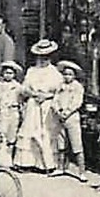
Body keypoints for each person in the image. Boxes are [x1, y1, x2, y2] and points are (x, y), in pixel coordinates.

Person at [15, 39, 62, 173]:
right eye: (40, 57)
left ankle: (46, 164)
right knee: (30, 131)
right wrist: (32, 93)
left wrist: (47, 96)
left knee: (45, 133)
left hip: (47, 105)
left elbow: (59, 91)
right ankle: (26, 163)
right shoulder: (31, 71)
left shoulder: (54, 73)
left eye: (46, 57)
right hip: (33, 104)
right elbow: (23, 88)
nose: (43, 60)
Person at [52, 60, 88, 180]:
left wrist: (67, 112)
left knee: (76, 144)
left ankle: (82, 172)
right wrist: (58, 110)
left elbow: (77, 102)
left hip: (71, 117)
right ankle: (60, 167)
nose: (67, 76)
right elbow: (55, 100)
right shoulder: (60, 86)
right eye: (65, 74)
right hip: (60, 117)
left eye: (70, 74)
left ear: (74, 76)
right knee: (61, 143)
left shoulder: (77, 87)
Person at [0, 61, 24, 167]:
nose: (8, 75)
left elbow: (22, 98)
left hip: (13, 111)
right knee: (1, 133)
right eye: (6, 73)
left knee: (12, 135)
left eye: (10, 73)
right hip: (2, 111)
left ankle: (9, 158)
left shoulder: (18, 86)